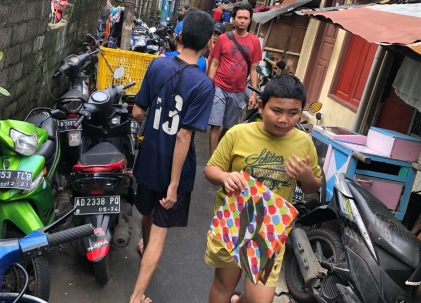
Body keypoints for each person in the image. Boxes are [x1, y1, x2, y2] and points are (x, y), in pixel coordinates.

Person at [204, 75, 323, 303]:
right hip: (234, 222)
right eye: (276, 111)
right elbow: (211, 171)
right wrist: (225, 176)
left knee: (260, 299)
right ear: (260, 106)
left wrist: (307, 176)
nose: (283, 120)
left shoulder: (303, 142)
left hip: (270, 229)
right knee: (223, 285)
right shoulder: (238, 134)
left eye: (293, 113)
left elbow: (312, 186)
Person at [129, 9, 215, 303]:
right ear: (209, 43)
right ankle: (137, 296)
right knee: (161, 231)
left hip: (149, 158)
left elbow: (138, 111)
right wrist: (175, 183)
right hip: (173, 168)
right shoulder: (204, 84)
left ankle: (144, 245)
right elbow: (184, 135)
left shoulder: (157, 66)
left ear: (179, 36)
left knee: (148, 213)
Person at [207, 2, 261, 156]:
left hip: (238, 91)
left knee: (229, 127)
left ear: (250, 20)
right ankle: (213, 160)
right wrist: (210, 85)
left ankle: (219, 150)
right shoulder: (223, 39)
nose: (242, 20)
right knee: (215, 125)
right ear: (233, 19)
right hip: (219, 87)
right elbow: (214, 63)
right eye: (240, 17)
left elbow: (254, 69)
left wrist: (254, 94)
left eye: (246, 18)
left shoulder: (255, 42)